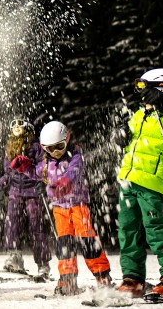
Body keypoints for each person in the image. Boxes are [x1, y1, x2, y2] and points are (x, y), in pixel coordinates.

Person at [11, 120, 113, 295]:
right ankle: (68, 281)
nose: (55, 153)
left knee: (88, 242)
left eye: (59, 147)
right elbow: (37, 173)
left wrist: (66, 181)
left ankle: (103, 277)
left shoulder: (75, 156)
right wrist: (26, 167)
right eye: (49, 149)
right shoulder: (46, 162)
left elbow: (75, 170)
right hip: (60, 209)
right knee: (64, 245)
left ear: (67, 140)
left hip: (78, 206)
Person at [116, 68, 163, 299]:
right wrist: (121, 134)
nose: (142, 96)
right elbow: (132, 130)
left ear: (162, 90)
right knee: (127, 231)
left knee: (155, 231)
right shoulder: (144, 113)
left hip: (152, 182)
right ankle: (133, 278)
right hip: (129, 179)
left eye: (145, 89)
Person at [0, 116, 52, 278]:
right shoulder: (10, 147)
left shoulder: (36, 147)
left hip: (33, 192)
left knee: (36, 226)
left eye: (20, 124)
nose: (16, 126)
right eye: (13, 124)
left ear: (28, 128)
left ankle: (43, 264)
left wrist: (42, 182)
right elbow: (8, 174)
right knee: (11, 223)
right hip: (15, 191)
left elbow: (44, 167)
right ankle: (14, 257)